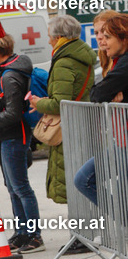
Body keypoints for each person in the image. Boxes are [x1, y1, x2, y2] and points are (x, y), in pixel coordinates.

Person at [0, 22, 44, 253]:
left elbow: (14, 113)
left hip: (15, 135)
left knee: (21, 187)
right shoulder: (8, 69)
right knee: (12, 186)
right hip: (8, 134)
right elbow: (7, 103)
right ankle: (22, 232)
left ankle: (34, 236)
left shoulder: (9, 75)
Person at [29, 14, 94, 207]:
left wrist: (38, 103)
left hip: (68, 130)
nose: (48, 40)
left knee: (73, 186)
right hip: (82, 124)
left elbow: (60, 103)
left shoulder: (64, 62)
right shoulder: (82, 56)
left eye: (50, 36)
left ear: (59, 37)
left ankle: (81, 225)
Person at [73, 14, 128, 206]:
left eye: (107, 36)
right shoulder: (118, 61)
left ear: (123, 38)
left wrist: (108, 93)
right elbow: (98, 92)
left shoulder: (124, 65)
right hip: (121, 140)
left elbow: (98, 93)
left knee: (84, 180)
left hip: (124, 141)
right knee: (84, 180)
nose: (102, 40)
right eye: (98, 34)